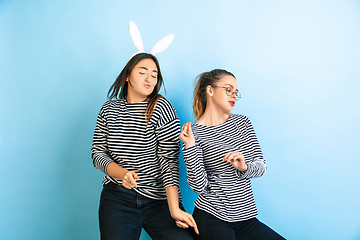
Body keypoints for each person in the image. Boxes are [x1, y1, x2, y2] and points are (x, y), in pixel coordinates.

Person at [91, 21, 198, 240]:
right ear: (128, 76)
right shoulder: (109, 109)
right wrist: (123, 175)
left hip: (159, 200)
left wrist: (174, 209)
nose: (150, 78)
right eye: (142, 72)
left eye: (154, 74)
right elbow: (97, 154)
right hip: (117, 199)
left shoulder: (162, 107)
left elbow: (169, 159)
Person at [178, 69, 285, 240]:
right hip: (212, 216)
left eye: (236, 92)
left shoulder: (243, 123)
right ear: (210, 90)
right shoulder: (194, 133)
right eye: (228, 90)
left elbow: (261, 166)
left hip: (245, 217)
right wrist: (190, 146)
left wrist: (243, 167)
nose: (233, 95)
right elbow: (198, 186)